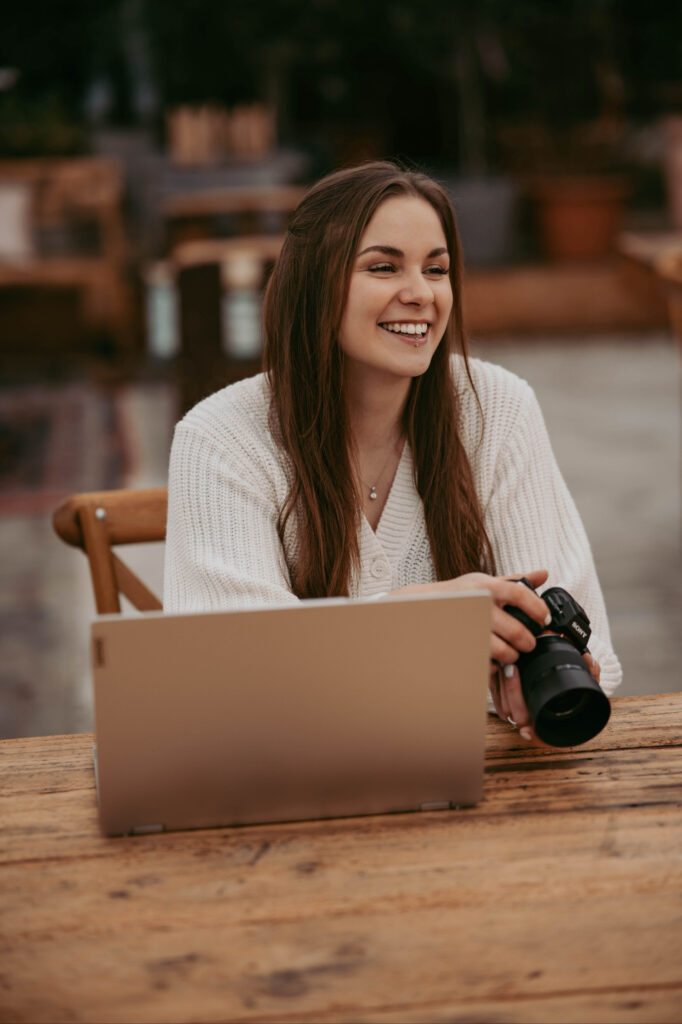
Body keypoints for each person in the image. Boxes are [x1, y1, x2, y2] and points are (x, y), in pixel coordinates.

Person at [164, 161, 622, 744]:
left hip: (477, 784)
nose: (420, 294)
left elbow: (590, 651)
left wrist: (517, 677)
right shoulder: (222, 437)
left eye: (437, 269)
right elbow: (220, 678)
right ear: (313, 286)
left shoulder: (497, 408)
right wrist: (416, 628)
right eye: (383, 267)